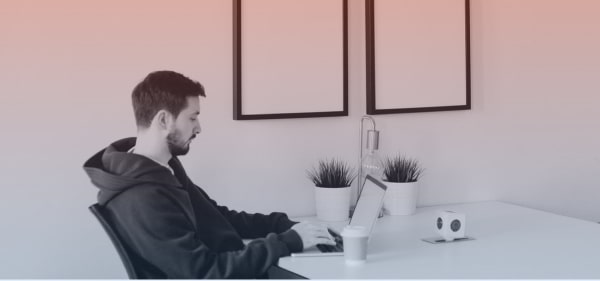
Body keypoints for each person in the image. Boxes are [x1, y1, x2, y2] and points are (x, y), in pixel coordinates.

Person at [83, 70, 335, 278]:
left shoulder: (161, 167)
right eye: (192, 118)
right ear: (163, 120)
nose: (199, 127)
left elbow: (217, 217)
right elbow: (203, 273)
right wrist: (286, 242)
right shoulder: (142, 197)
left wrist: (287, 226)